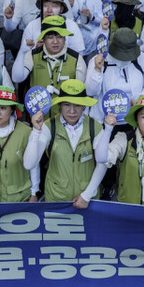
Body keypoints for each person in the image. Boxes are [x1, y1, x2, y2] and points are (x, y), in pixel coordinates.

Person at [24, 79, 109, 207]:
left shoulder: (95, 127)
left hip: (87, 200)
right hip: (56, 199)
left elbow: (103, 163)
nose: (72, 111)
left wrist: (86, 195)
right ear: (60, 105)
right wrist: (36, 131)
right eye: (67, 105)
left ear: (84, 106)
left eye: (77, 105)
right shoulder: (49, 126)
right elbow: (29, 164)